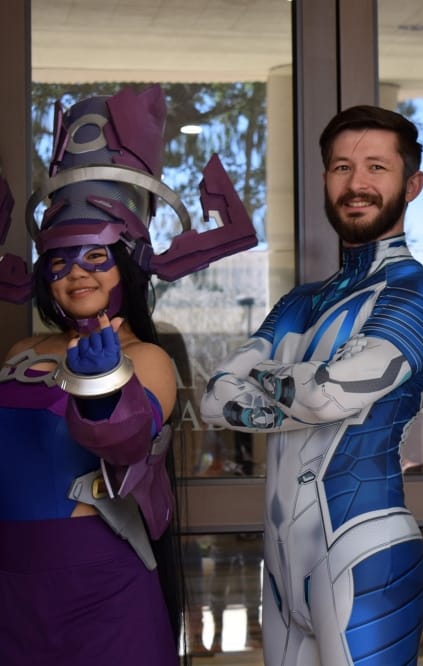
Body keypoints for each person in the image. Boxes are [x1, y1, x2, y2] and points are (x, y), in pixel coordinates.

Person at [0, 85, 257, 664]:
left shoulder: (148, 358)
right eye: (60, 262)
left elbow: (124, 442)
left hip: (96, 586)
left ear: (127, 266)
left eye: (96, 257)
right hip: (11, 581)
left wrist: (102, 388)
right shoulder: (23, 348)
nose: (76, 274)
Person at [200, 104, 423, 665]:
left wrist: (264, 378)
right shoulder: (301, 300)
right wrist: (306, 383)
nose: (356, 183)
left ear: (412, 185)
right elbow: (214, 398)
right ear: (324, 179)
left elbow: (323, 396)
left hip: (366, 553)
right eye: (342, 167)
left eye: (376, 167)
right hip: (282, 566)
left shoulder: (415, 293)